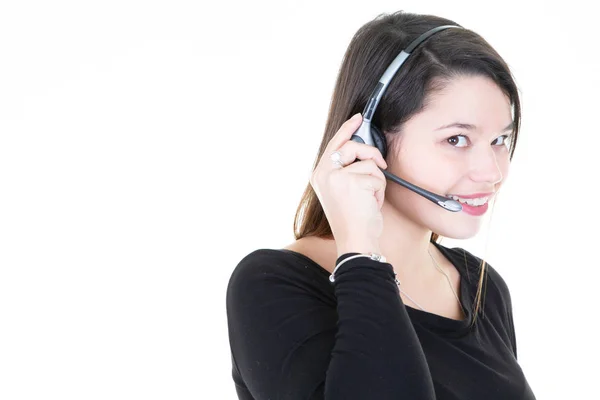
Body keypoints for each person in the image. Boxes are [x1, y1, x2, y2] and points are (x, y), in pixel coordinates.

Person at [226, 10, 536, 399]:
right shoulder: (272, 285)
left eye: (499, 141)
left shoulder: (482, 288)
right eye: (456, 140)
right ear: (371, 141)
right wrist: (359, 254)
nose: (491, 172)